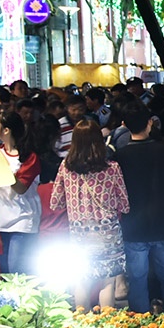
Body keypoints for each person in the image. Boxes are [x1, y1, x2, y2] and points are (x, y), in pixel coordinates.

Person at [115, 106, 164, 316]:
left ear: (125, 126)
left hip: (134, 227)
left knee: (137, 278)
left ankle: (141, 322)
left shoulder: (120, 156)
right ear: (150, 123)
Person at [56, 118, 130, 310]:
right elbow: (124, 205)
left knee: (82, 280)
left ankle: (82, 321)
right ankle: (106, 323)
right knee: (108, 282)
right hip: (108, 234)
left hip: (79, 233)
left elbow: (55, 202)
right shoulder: (112, 168)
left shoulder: (65, 167)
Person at [0, 110, 43, 279]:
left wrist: (2, 168)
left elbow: (20, 188)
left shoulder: (29, 157)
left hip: (21, 221)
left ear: (6, 130)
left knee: (16, 272)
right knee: (2, 272)